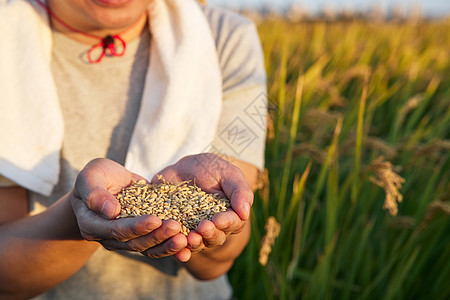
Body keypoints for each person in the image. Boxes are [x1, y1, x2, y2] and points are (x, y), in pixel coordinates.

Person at [0, 0, 267, 299]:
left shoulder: (225, 37)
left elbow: (219, 260)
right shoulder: (7, 40)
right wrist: (78, 217)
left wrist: (216, 225)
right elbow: (5, 277)